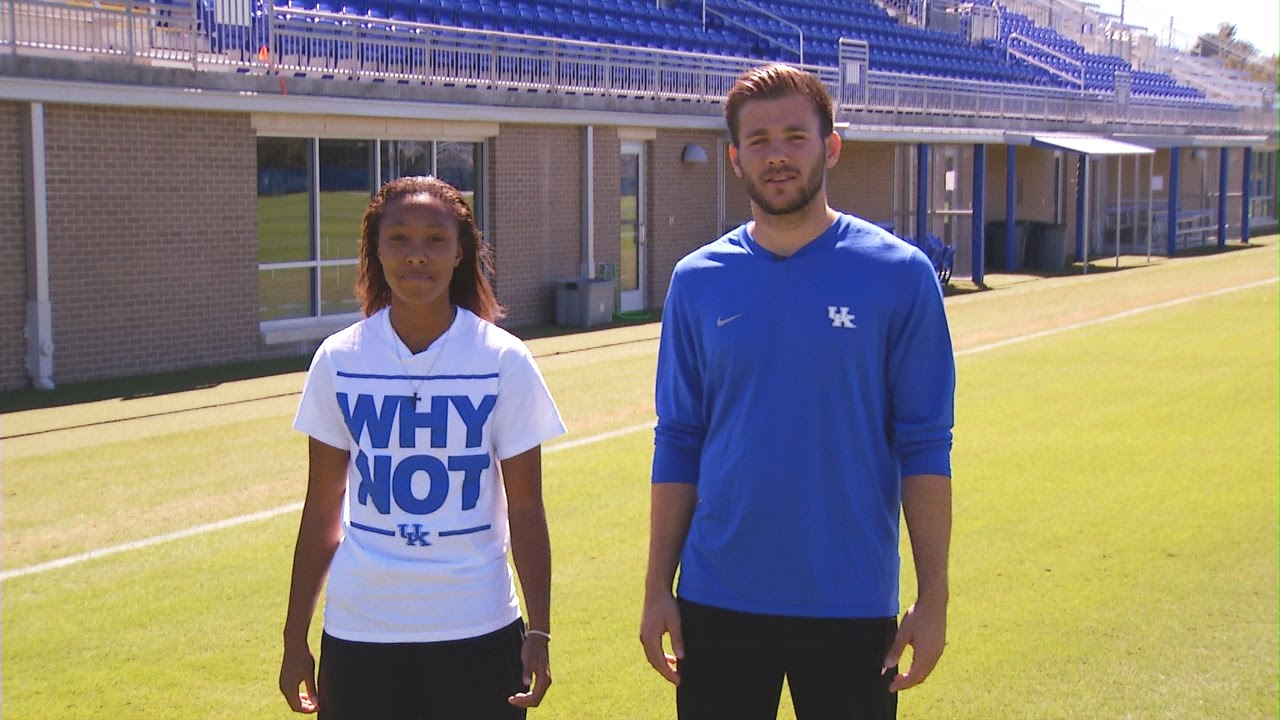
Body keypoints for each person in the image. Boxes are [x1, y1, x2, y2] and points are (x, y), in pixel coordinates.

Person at [639, 64, 955, 720]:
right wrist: (655, 587)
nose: (776, 154)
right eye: (757, 141)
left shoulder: (900, 275)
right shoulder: (697, 281)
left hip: (850, 599)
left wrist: (934, 598)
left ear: (830, 146)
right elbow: (679, 441)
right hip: (718, 598)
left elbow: (924, 446)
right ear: (735, 159)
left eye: (794, 136)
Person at [280, 175, 565, 719]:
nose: (417, 256)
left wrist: (540, 629)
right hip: (361, 630)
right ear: (375, 249)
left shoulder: (503, 360)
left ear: (461, 252)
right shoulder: (339, 359)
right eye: (399, 239)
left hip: (478, 626)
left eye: (435, 239)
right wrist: (295, 639)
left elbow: (526, 506)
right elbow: (321, 508)